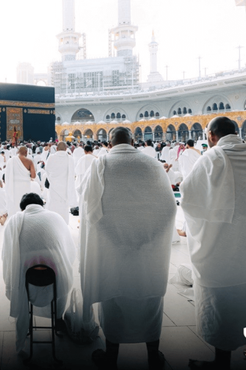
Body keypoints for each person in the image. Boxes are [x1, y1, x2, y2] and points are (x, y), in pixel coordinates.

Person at [180, 117, 246, 369]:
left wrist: (216, 214)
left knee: (219, 301)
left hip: (219, 244)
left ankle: (221, 361)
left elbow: (189, 197)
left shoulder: (212, 158)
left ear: (213, 135)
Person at [80, 127, 176, 369]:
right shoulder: (152, 164)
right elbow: (170, 207)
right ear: (133, 142)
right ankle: (153, 356)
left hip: (112, 248)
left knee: (114, 297)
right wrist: (150, 239)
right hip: (149, 250)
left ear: (109, 144)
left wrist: (112, 237)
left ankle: (111, 357)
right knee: (150, 299)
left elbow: (89, 207)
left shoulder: (101, 165)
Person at [2, 193, 76, 353]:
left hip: (25, 286)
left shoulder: (14, 222)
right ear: (41, 204)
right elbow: (71, 252)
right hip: (58, 283)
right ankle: (58, 318)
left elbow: (6, 256)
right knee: (64, 267)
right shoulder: (56, 217)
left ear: (23, 209)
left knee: (22, 267)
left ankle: (27, 319)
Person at [45, 141, 78, 224]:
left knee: (53, 205)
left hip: (54, 187)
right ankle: (64, 225)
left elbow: (47, 171)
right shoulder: (70, 159)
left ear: (56, 148)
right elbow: (72, 173)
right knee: (64, 208)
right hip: (66, 187)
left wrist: (52, 181)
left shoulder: (51, 157)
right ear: (66, 149)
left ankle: (53, 224)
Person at [4, 147, 37, 216]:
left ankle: (14, 217)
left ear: (18, 152)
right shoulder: (29, 161)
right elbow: (33, 176)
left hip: (13, 185)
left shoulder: (11, 161)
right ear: (26, 152)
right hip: (25, 185)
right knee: (24, 201)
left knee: (15, 202)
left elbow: (7, 175)